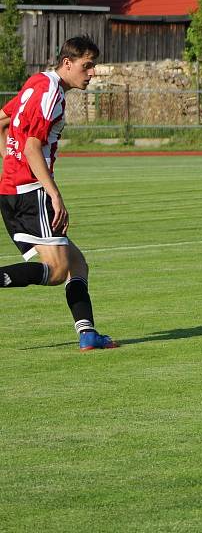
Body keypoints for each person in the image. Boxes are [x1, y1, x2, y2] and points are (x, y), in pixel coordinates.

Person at [0, 35, 117, 352]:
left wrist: (10, 165)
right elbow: (32, 146)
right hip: (31, 191)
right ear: (68, 63)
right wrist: (53, 194)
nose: (91, 73)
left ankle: (88, 333)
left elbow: (2, 122)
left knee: (77, 264)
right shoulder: (52, 92)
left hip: (13, 190)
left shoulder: (36, 82)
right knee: (56, 271)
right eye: (87, 65)